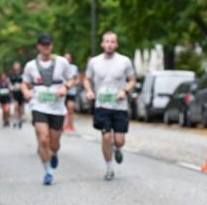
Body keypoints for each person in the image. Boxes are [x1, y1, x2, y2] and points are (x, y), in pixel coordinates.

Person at [21, 33, 78, 185]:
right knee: (43, 139)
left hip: (57, 108)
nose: (46, 47)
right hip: (38, 106)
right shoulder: (30, 66)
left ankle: (53, 154)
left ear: (52, 46)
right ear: (38, 46)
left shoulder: (62, 62)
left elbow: (73, 78)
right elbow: (24, 83)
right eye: (43, 45)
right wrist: (26, 91)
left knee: (54, 144)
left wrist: (65, 87)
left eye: (48, 45)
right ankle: (48, 171)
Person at [84, 31, 136, 181]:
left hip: (119, 106)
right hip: (102, 106)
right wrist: (89, 91)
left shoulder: (124, 61)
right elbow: (87, 79)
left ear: (116, 44)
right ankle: (109, 167)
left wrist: (125, 91)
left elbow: (132, 80)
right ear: (102, 44)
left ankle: (117, 148)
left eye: (113, 42)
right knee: (106, 136)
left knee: (119, 140)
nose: (110, 44)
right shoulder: (94, 62)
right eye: (107, 41)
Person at [8, 61, 27, 128]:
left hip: (21, 92)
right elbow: (9, 82)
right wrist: (11, 88)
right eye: (15, 65)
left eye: (17, 65)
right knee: (16, 106)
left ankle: (20, 119)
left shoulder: (23, 73)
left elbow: (25, 81)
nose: (16, 67)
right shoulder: (11, 74)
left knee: (21, 107)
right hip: (14, 92)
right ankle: (16, 120)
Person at [63, 52, 78, 132]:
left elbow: (77, 79)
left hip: (71, 92)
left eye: (68, 58)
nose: (67, 60)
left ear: (71, 60)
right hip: (62, 92)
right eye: (65, 58)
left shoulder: (74, 68)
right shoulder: (60, 67)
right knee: (63, 110)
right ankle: (63, 125)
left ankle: (71, 125)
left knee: (70, 108)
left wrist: (72, 83)